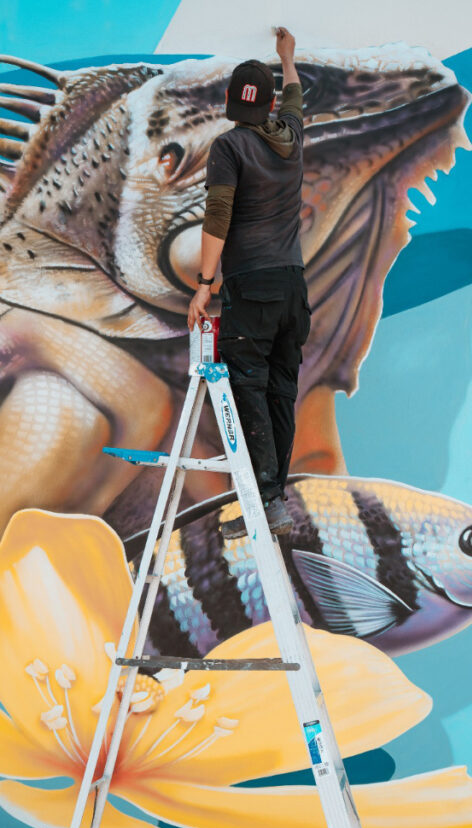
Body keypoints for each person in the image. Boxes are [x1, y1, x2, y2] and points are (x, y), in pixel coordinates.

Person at [187, 26, 310, 540]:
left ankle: (265, 501)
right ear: (271, 104)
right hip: (293, 288)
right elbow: (296, 101)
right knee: (281, 393)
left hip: (252, 288)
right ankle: (273, 500)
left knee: (249, 391)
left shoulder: (229, 147)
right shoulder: (291, 139)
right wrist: (288, 59)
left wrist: (204, 284)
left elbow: (218, 215)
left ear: (229, 100)